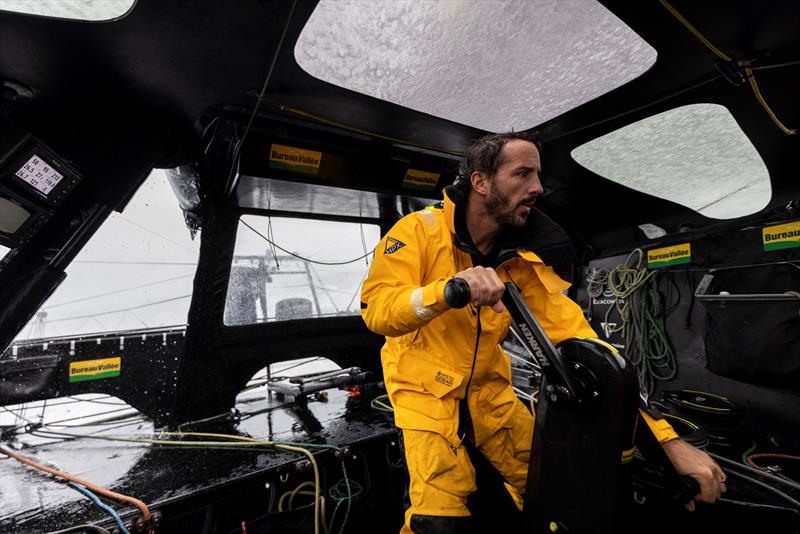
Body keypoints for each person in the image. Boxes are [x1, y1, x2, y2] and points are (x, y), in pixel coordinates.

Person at [360, 132, 726, 533]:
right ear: (481, 182)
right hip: (425, 395)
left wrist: (666, 442)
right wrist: (449, 291)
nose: (537, 187)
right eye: (522, 174)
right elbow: (377, 311)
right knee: (439, 520)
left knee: (554, 488)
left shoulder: (519, 258)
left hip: (490, 393)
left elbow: (586, 345)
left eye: (537, 175)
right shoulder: (418, 231)